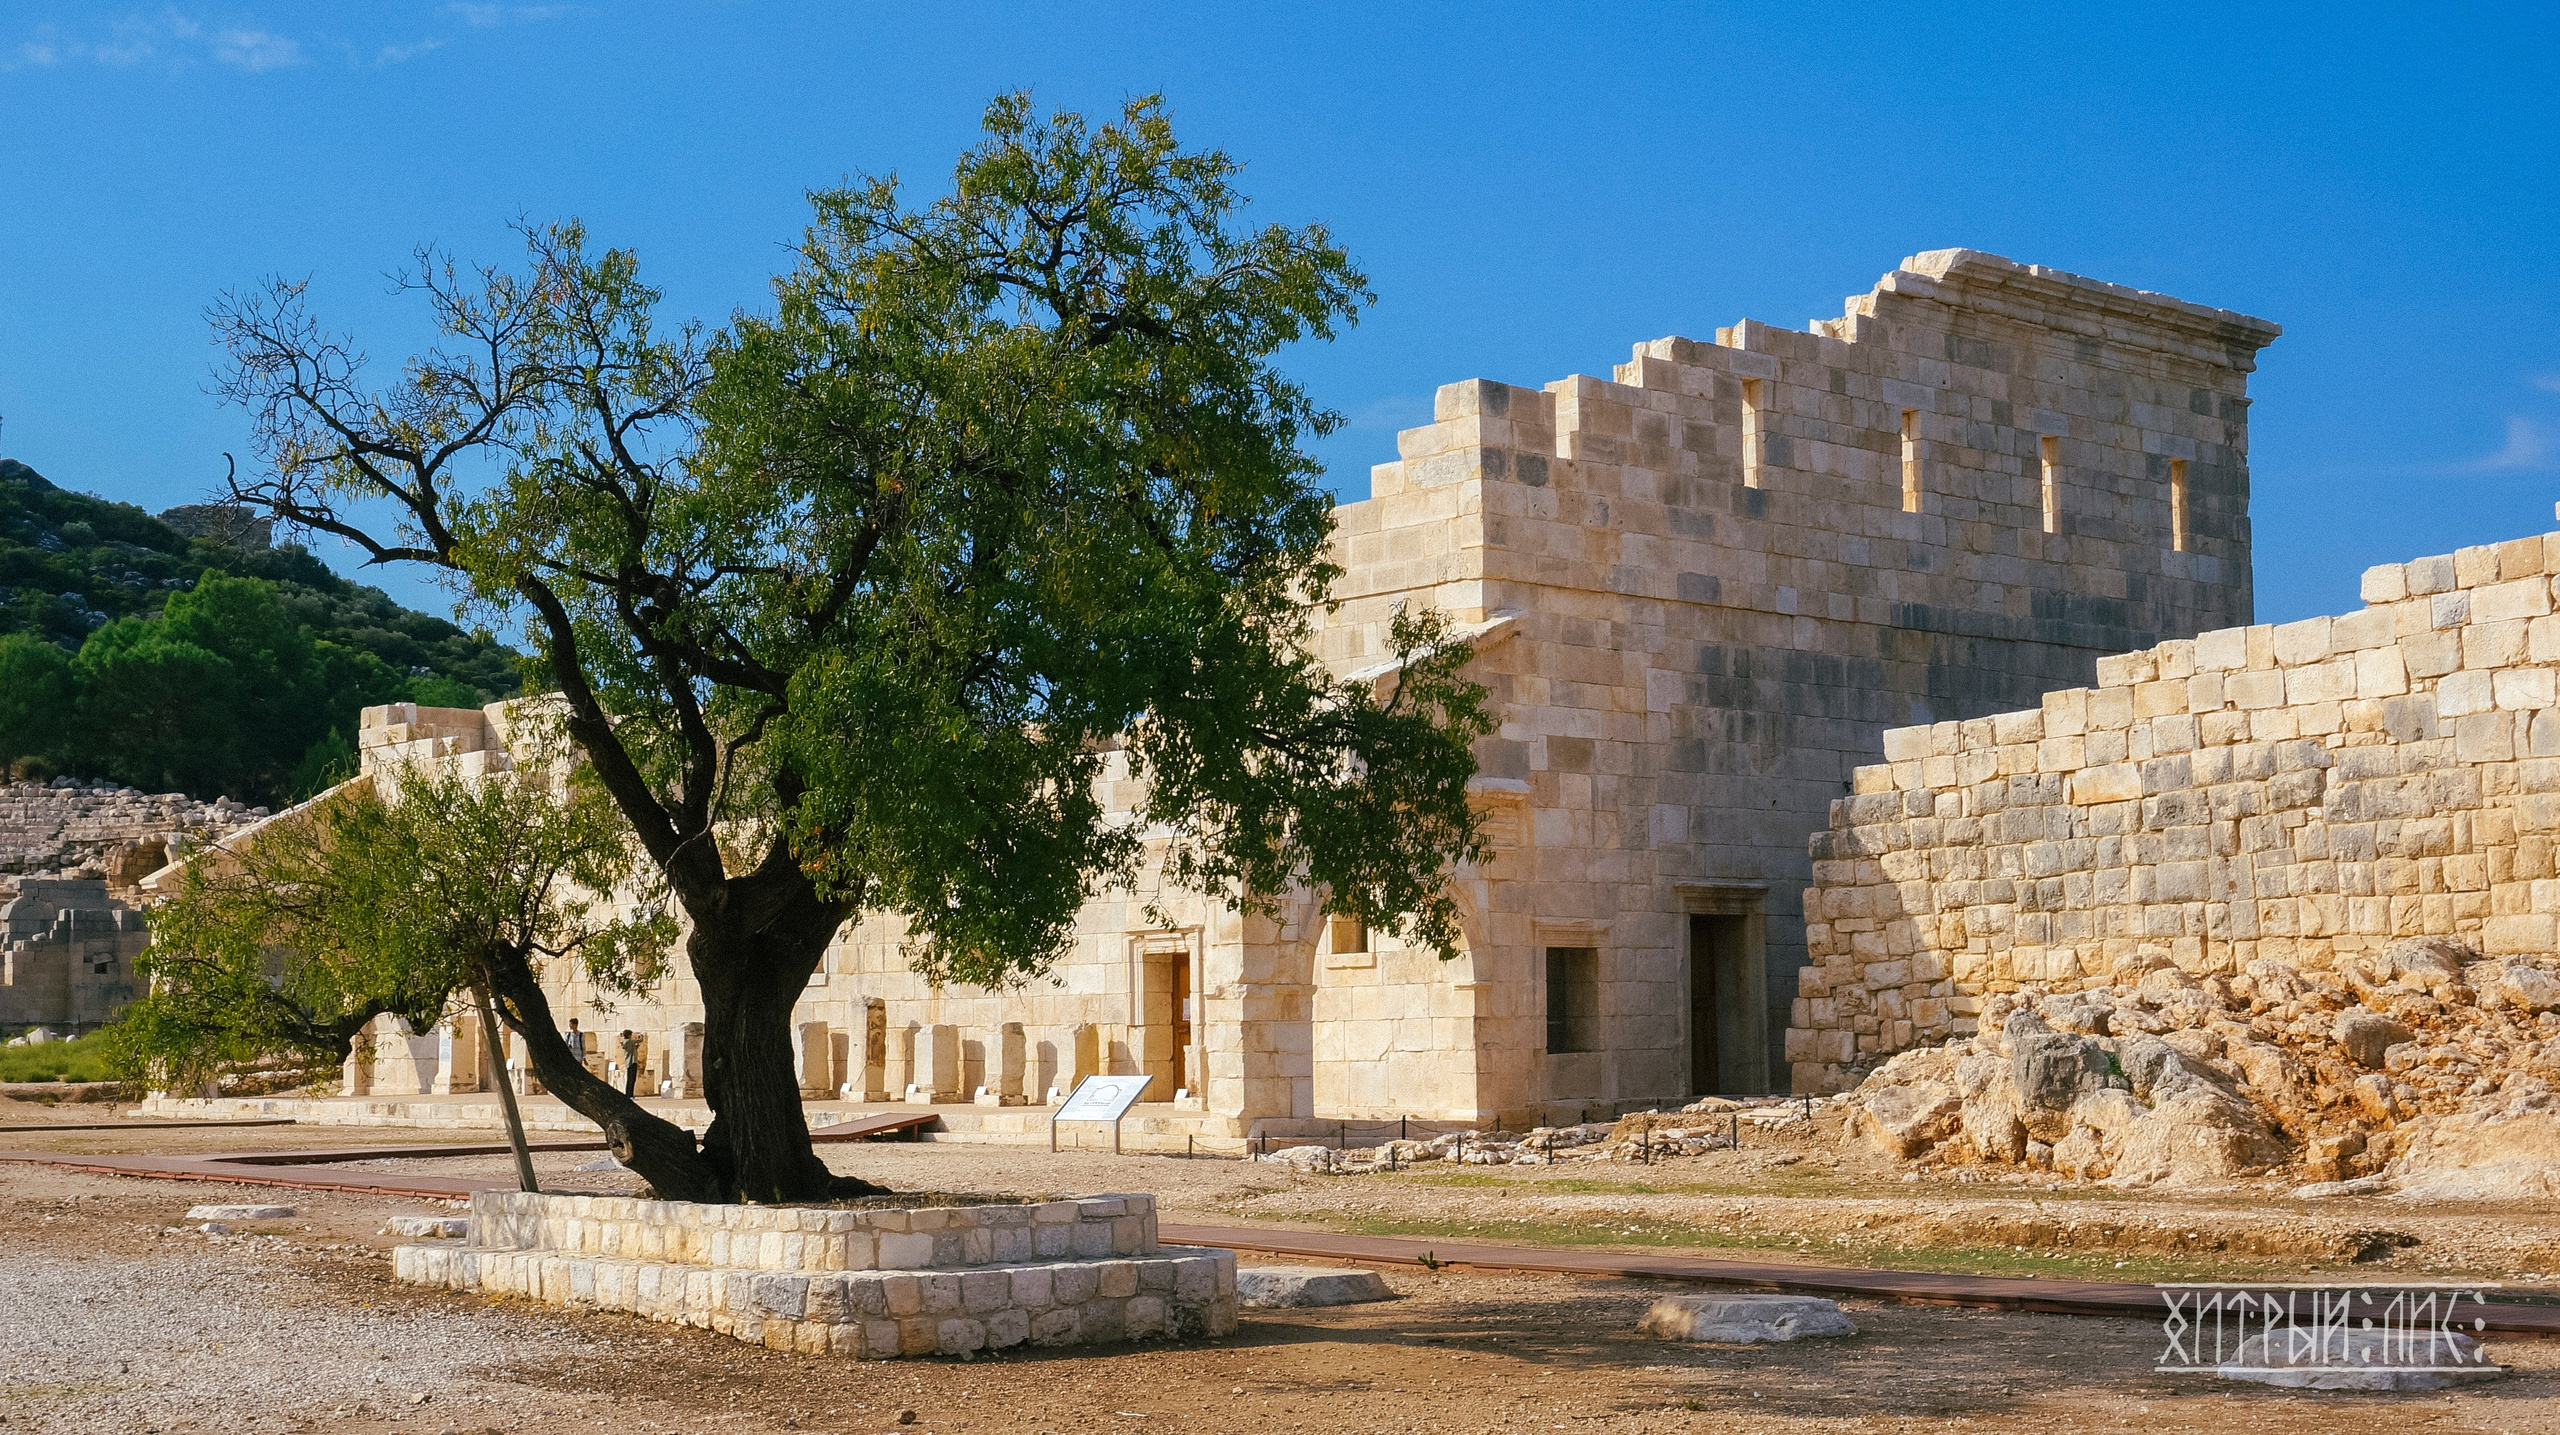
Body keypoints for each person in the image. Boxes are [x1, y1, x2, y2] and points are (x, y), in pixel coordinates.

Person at [619, 1029, 643, 1097]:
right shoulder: (629, 1041)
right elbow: (640, 1040)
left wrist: (636, 1047)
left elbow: (631, 1049)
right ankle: (630, 1095)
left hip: (628, 1062)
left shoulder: (624, 1042)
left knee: (629, 1079)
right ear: (629, 1035)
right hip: (632, 1061)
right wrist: (641, 1036)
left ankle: (628, 1094)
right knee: (632, 1079)